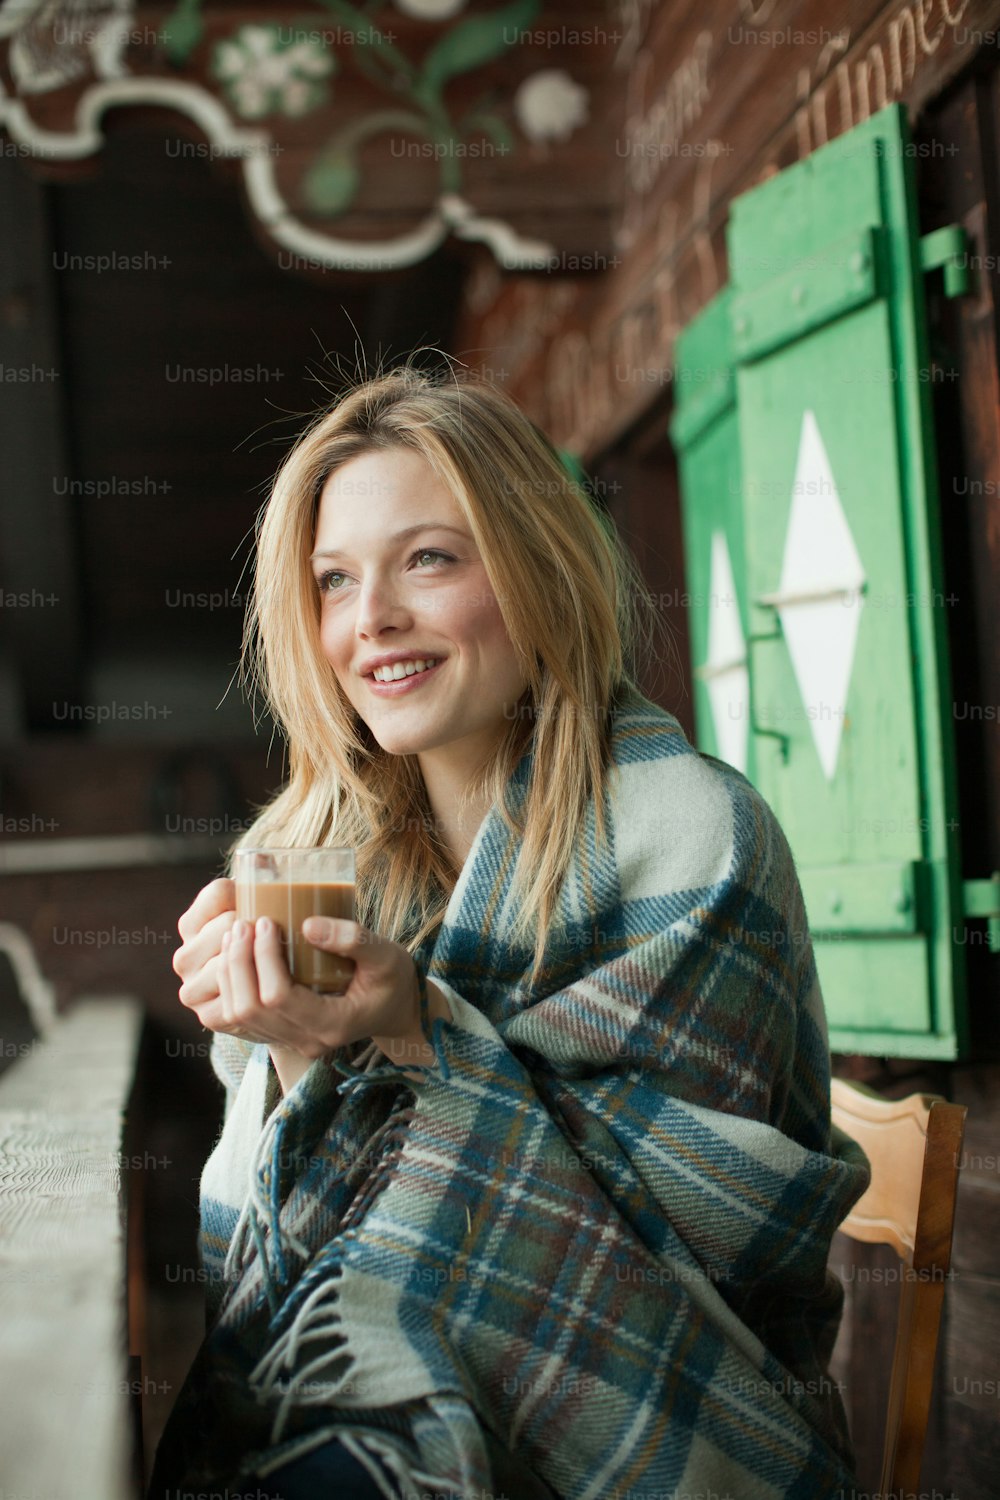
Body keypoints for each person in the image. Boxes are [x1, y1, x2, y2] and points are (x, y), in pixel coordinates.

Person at [148, 362, 870, 1500]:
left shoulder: (691, 834)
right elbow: (264, 1237)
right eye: (334, 581)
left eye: (427, 559)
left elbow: (712, 1242)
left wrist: (415, 1026)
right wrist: (292, 1047)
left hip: (677, 1407)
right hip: (368, 1368)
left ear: (536, 562)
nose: (371, 619)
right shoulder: (300, 855)